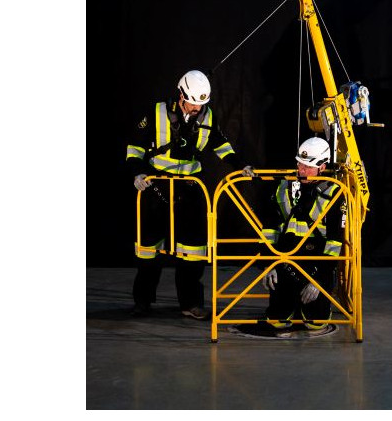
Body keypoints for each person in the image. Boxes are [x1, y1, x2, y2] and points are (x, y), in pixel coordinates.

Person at [126, 70, 254, 319]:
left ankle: (191, 303)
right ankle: (142, 302)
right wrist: (137, 173)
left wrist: (240, 165)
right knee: (148, 248)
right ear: (181, 95)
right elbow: (134, 147)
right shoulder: (156, 112)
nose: (197, 108)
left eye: (201, 104)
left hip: (190, 189)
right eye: (193, 102)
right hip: (156, 186)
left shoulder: (207, 116)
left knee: (193, 249)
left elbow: (221, 145)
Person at [261, 137, 345, 330]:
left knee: (315, 323)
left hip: (316, 262)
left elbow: (334, 242)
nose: (301, 171)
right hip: (285, 258)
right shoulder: (283, 187)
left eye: (308, 167)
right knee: (277, 320)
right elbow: (269, 229)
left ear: (322, 167)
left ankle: (313, 302)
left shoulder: (335, 193)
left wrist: (319, 280)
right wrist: (268, 263)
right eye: (299, 164)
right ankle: (288, 302)